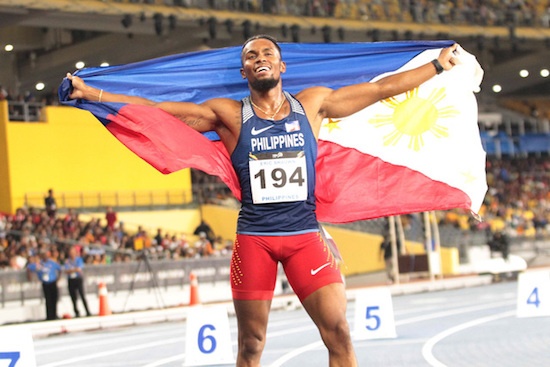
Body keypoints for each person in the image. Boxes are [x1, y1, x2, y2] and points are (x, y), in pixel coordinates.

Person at [67, 34, 458, 366]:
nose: (260, 59)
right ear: (244, 72)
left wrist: (437, 66)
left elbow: (380, 89)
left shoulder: (314, 105)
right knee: (251, 345)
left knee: (338, 332)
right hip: (255, 239)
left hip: (305, 236)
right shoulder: (230, 115)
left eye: (267, 54)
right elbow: (159, 113)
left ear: (282, 66)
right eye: (251, 56)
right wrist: (95, 94)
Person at [27, 249, 62, 321]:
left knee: (54, 299)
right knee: (48, 300)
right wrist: (30, 278)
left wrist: (58, 278)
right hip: (45, 283)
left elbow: (60, 269)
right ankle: (49, 316)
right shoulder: (39, 264)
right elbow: (29, 268)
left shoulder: (52, 263)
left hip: (52, 282)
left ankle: (54, 314)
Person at [64, 246, 92, 317]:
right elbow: (66, 271)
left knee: (82, 295)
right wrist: (74, 270)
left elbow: (79, 269)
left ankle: (87, 311)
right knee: (73, 297)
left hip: (78, 278)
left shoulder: (79, 260)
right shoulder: (67, 261)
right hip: (71, 280)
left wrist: (72, 270)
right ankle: (76, 312)